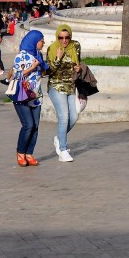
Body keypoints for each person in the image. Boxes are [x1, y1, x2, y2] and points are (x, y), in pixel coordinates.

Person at [8, 30, 47, 167]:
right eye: (42, 40)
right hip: (22, 96)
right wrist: (34, 66)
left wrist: (42, 69)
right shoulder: (21, 56)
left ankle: (29, 153)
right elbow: (17, 75)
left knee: (35, 126)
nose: (43, 42)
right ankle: (20, 152)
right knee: (28, 125)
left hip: (36, 96)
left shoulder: (38, 55)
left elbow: (42, 74)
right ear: (34, 41)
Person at [45, 23, 81, 163]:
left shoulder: (76, 46)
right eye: (61, 37)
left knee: (74, 116)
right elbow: (49, 71)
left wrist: (78, 68)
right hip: (56, 86)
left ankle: (59, 138)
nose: (64, 40)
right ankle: (63, 150)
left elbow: (78, 62)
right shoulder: (53, 48)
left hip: (71, 86)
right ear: (57, 36)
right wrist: (58, 58)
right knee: (64, 117)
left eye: (67, 37)